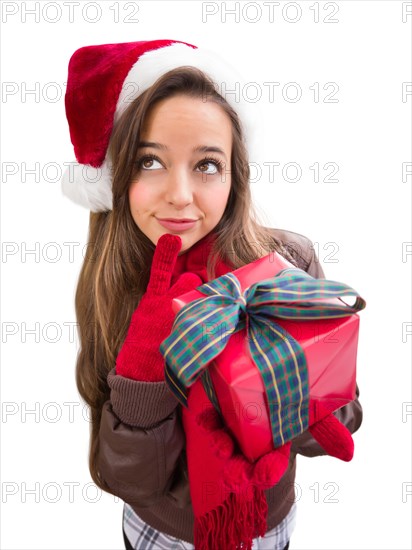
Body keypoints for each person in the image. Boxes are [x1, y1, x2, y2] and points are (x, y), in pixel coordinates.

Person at [61, 40, 363, 550]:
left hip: (267, 523)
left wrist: (300, 382)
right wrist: (143, 373)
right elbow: (129, 480)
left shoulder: (287, 264)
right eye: (149, 162)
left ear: (233, 176)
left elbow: (343, 420)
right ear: (116, 177)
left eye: (206, 165)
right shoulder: (112, 287)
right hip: (163, 532)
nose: (180, 194)